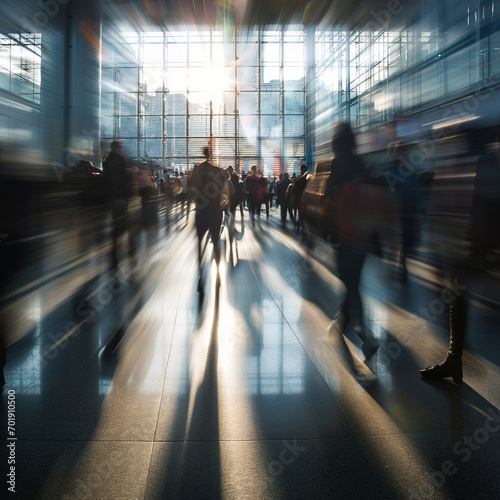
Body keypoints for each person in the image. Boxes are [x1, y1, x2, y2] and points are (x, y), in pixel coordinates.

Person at [325, 123, 380, 361]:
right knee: (352, 281)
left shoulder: (338, 166)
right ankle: (341, 318)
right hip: (362, 236)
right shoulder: (363, 165)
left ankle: (364, 335)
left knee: (351, 285)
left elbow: (330, 200)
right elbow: (374, 200)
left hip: (344, 235)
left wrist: (327, 231)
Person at [189, 147, 227, 293]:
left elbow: (191, 188)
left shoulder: (197, 170)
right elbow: (223, 187)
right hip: (215, 211)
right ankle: (217, 272)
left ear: (203, 154)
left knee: (199, 244)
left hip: (201, 211)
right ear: (211, 154)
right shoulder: (217, 171)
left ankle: (200, 274)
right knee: (216, 242)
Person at [102, 140, 134, 271]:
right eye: (120, 147)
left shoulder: (107, 161)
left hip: (112, 198)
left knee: (116, 227)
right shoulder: (121, 161)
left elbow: (105, 180)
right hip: (121, 198)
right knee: (125, 226)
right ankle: (129, 254)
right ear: (118, 148)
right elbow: (126, 179)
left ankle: (114, 257)